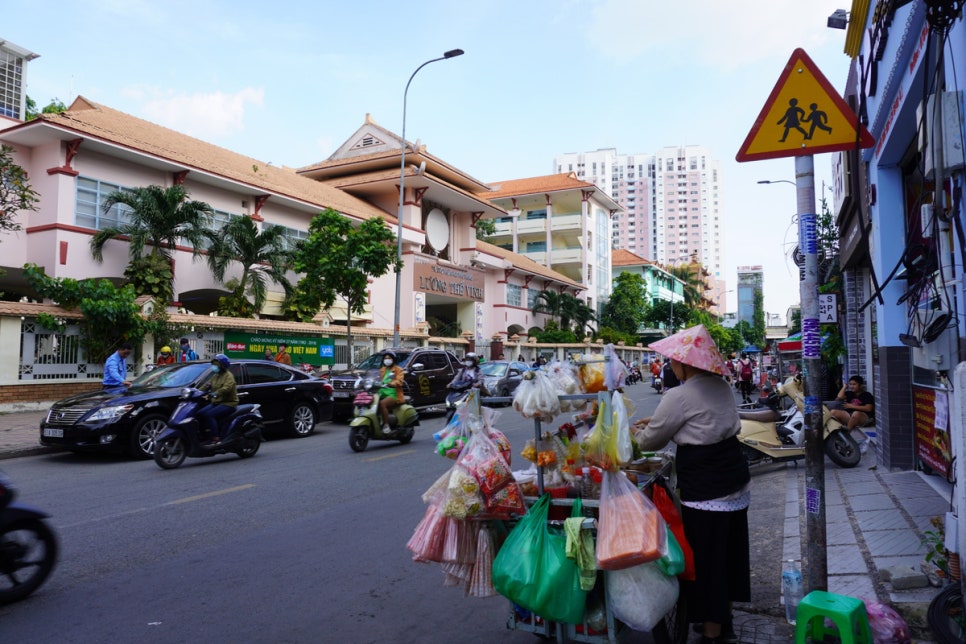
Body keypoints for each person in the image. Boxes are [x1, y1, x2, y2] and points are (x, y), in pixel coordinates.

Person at [631, 324, 750, 644]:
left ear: (685, 364)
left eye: (672, 360)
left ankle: (712, 633)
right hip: (734, 480)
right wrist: (653, 423)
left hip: (706, 486)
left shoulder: (679, 395)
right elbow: (694, 421)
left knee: (707, 558)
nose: (670, 365)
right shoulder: (721, 385)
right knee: (728, 553)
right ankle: (725, 620)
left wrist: (635, 434)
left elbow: (652, 440)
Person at [198, 354, 238, 443]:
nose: (214, 366)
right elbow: (207, 385)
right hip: (217, 402)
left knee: (209, 415)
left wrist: (214, 393)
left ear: (222, 366)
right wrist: (196, 392)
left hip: (228, 403)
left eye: (216, 365)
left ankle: (215, 437)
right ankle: (204, 435)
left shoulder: (229, 376)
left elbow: (226, 388)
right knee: (199, 413)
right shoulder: (216, 376)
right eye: (213, 364)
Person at [830, 375, 874, 449]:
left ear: (860, 385)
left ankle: (846, 435)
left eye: (854, 384)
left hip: (863, 418)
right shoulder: (849, 393)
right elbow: (839, 397)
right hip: (850, 417)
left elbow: (869, 408)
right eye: (850, 384)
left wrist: (852, 406)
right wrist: (844, 386)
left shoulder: (867, 395)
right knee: (833, 412)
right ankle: (838, 432)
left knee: (855, 413)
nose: (852, 386)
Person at [378, 351, 405, 434]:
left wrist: (391, 384)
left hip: (393, 394)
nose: (387, 360)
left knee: (382, 404)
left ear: (393, 359)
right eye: (385, 358)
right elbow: (376, 378)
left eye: (389, 358)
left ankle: (386, 425)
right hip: (381, 393)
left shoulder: (398, 370)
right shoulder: (382, 370)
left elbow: (399, 381)